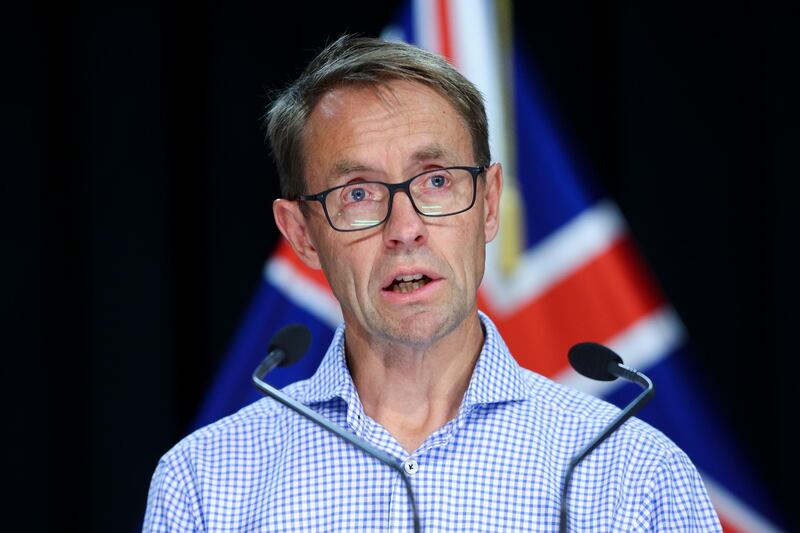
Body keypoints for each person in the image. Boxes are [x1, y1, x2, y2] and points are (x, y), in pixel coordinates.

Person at [144, 35, 721, 532]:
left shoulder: (631, 470)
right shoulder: (206, 481)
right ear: (302, 234)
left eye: (437, 180)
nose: (406, 229)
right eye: (359, 194)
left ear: (489, 204)